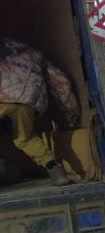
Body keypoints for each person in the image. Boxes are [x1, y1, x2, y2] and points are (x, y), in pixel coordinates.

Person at [0, 36, 80, 187]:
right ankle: (56, 172)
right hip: (28, 101)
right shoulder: (33, 54)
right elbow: (61, 83)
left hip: (2, 98)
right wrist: (71, 115)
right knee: (25, 139)